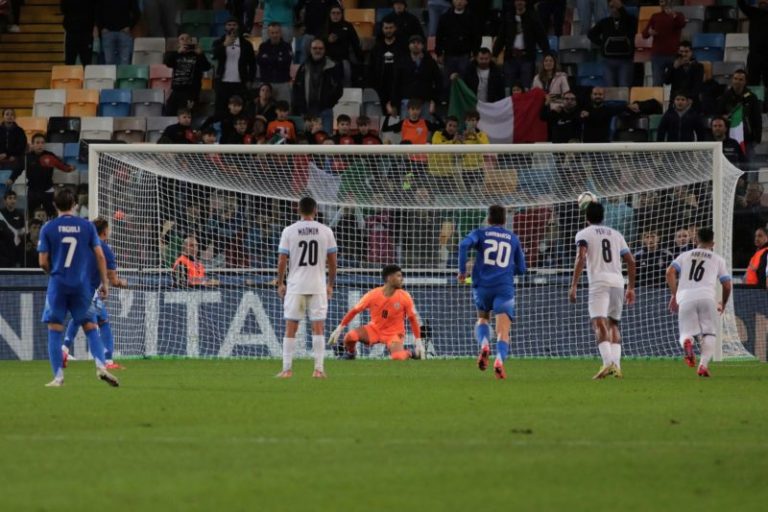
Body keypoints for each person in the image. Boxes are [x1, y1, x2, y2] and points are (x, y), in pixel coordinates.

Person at [37, 188, 118, 387]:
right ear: (74, 205)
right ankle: (101, 365)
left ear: (55, 205)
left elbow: (42, 261)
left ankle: (58, 377)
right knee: (91, 326)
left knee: (55, 329)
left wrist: (52, 271)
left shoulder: (48, 228)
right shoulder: (87, 226)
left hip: (58, 284)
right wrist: (104, 283)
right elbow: (100, 256)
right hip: (81, 286)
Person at [569, 202, 636, 379]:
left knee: (599, 323)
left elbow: (581, 257)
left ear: (586, 217)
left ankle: (607, 363)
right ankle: (617, 366)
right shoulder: (616, 234)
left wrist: (574, 284)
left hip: (599, 282)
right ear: (603, 216)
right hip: (617, 282)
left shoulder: (583, 234)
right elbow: (631, 261)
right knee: (613, 323)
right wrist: (630, 287)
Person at [458, 205, 527, 379]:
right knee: (503, 331)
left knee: (482, 318)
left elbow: (463, 245)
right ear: (504, 220)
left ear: (488, 219)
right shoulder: (513, 238)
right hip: (504, 287)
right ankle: (499, 360)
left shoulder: (480, 233)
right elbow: (522, 269)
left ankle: (484, 344)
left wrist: (462, 272)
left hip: (482, 287)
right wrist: (508, 269)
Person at [276, 196, 337, 378]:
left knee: (291, 327)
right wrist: (330, 284)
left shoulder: (289, 231)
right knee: (318, 327)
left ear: (298, 210)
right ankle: (318, 369)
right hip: (317, 285)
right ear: (315, 210)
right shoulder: (325, 231)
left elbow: (282, 260)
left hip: (295, 286)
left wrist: (280, 282)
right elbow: (333, 262)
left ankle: (287, 370)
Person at [62, 217, 128, 370]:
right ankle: (105, 361)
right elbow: (113, 280)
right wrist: (124, 283)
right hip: (87, 291)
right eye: (108, 229)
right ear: (105, 232)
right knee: (87, 319)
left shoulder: (81, 245)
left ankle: (106, 359)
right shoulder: (104, 250)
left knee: (101, 318)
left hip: (71, 285)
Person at [666, 227, 732, 377]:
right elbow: (727, 285)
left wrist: (674, 294)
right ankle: (703, 365)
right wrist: (724, 302)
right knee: (709, 333)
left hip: (686, 298)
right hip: (707, 297)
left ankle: (688, 344)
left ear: (696, 240)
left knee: (686, 333)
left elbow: (669, 271)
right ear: (713, 244)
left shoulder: (685, 255)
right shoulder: (718, 259)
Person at [329, 264, 424, 361]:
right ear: (389, 278)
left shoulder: (405, 296)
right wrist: (339, 328)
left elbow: (412, 319)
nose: (402, 279)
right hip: (375, 329)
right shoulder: (373, 294)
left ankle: (411, 352)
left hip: (394, 334)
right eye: (398, 276)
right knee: (349, 337)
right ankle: (351, 353)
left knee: (397, 357)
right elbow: (354, 311)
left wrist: (418, 340)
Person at [7, 133, 75, 218]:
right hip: (33, 191)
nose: (40, 145)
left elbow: (61, 165)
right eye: (37, 142)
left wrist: (70, 168)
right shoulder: (26, 157)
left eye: (42, 143)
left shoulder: (50, 156)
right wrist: (11, 179)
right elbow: (17, 170)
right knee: (30, 215)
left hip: (47, 191)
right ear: (32, 144)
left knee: (52, 216)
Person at [493, 0, 549, 90]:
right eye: (517, 0)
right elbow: (501, 37)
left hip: (527, 57)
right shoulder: (508, 17)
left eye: (522, 0)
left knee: (526, 85)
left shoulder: (533, 17)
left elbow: (541, 36)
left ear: (525, 2)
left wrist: (546, 52)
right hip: (510, 57)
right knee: (508, 86)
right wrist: (495, 54)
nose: (519, 2)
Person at [291, 38, 343, 133]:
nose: (317, 50)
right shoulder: (303, 67)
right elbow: (297, 89)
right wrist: (301, 109)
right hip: (307, 112)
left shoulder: (333, 66)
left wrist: (329, 104)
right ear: (310, 50)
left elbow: (339, 89)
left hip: (325, 111)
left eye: (320, 48)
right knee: (308, 143)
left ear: (324, 50)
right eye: (315, 48)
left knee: (326, 142)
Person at [212, 18, 256, 116]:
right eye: (229, 24)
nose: (232, 27)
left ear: (238, 27)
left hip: (240, 83)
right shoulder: (218, 42)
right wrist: (224, 45)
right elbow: (214, 55)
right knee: (221, 110)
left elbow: (252, 64)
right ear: (225, 27)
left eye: (234, 24)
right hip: (223, 82)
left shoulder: (246, 44)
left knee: (240, 111)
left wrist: (250, 80)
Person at [587, 0, 636, 87]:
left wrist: (621, 9)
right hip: (608, 60)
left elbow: (632, 25)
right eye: (612, 7)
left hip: (625, 60)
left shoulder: (630, 20)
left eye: (616, 7)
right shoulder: (604, 22)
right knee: (609, 87)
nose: (614, 10)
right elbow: (591, 34)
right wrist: (602, 44)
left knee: (624, 86)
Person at [390, 35, 442, 115]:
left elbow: (438, 81)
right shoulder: (402, 62)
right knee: (407, 126)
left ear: (423, 45)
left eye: (418, 43)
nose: (415, 45)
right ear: (409, 45)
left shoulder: (430, 62)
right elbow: (396, 83)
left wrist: (434, 101)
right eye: (413, 43)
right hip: (407, 100)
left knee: (425, 126)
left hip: (425, 100)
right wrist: (394, 104)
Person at [716, 70, 763, 157]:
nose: (737, 81)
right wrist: (724, 118)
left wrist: (757, 139)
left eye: (741, 79)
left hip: (747, 139)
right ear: (732, 80)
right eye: (735, 78)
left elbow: (757, 119)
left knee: (749, 166)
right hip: (728, 138)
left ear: (745, 82)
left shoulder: (752, 97)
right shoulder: (725, 96)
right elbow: (718, 116)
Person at [435, 0, 480, 89]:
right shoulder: (445, 17)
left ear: (466, 2)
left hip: (465, 55)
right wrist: (439, 53)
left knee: (464, 81)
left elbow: (476, 36)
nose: (459, 2)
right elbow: (439, 36)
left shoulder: (472, 18)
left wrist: (475, 52)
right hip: (449, 55)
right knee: (447, 82)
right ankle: (447, 101)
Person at [164, 33, 212, 116]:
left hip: (191, 91)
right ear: (179, 43)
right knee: (169, 113)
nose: (185, 41)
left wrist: (200, 54)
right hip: (176, 90)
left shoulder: (197, 55)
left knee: (186, 115)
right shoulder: (176, 54)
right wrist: (178, 52)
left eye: (187, 39)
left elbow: (206, 67)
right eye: (182, 39)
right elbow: (168, 63)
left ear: (191, 41)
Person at [642, 0, 686, 87]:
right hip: (657, 56)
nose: (664, 4)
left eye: (665, 2)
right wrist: (649, 32)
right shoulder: (655, 16)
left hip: (673, 55)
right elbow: (644, 34)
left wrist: (674, 15)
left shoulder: (679, 15)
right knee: (657, 83)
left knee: (677, 82)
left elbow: (682, 24)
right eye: (661, 2)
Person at [368, 19, 407, 110]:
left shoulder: (402, 47)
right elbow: (371, 67)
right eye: (386, 28)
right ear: (382, 29)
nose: (388, 30)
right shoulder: (377, 48)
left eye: (390, 28)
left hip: (398, 86)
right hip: (381, 87)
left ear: (395, 28)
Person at [321, 4, 362, 86]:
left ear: (342, 14)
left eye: (338, 13)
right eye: (333, 13)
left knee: (347, 77)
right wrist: (327, 39)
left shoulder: (348, 26)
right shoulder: (324, 26)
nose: (336, 15)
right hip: (327, 59)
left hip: (343, 59)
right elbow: (317, 40)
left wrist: (360, 60)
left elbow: (356, 43)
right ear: (330, 14)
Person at [256, 23, 294, 105]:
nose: (275, 35)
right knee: (265, 109)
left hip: (282, 83)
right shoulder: (263, 46)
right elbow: (260, 62)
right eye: (272, 33)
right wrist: (277, 59)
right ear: (269, 34)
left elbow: (286, 62)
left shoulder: (287, 46)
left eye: (277, 32)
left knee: (284, 109)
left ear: (280, 33)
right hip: (266, 83)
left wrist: (268, 59)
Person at [95, 0, 140, 65]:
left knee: (120, 64)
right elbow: (97, 11)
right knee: (113, 64)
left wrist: (129, 26)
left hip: (122, 33)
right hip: (110, 32)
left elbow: (137, 13)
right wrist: (101, 27)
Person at [664, 42, 704, 110]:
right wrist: (673, 68)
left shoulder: (698, 66)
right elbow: (666, 82)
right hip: (676, 99)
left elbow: (697, 86)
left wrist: (689, 99)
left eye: (686, 51)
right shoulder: (672, 65)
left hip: (691, 99)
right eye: (681, 51)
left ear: (691, 52)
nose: (684, 54)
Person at [737, 0, 768, 87]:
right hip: (754, 56)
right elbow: (741, 3)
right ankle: (752, 100)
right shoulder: (753, 12)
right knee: (752, 84)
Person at [61, 0, 95, 65]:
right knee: (70, 61)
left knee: (86, 62)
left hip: (85, 31)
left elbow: (94, 9)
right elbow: (63, 9)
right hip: (73, 31)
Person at [0, 189, 24, 266]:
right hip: (3, 248)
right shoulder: (1, 213)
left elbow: (23, 229)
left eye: (14, 198)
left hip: (16, 247)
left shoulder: (20, 214)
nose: (12, 200)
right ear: (5, 200)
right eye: (10, 198)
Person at [0, 107, 26, 172]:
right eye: (7, 114)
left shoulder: (20, 131)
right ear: (3, 117)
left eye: (12, 114)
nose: (9, 116)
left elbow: (21, 146)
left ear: (14, 117)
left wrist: (9, 154)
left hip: (14, 157)